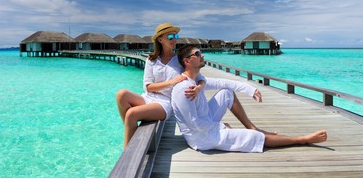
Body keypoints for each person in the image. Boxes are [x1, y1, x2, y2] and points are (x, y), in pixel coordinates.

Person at [171, 44, 328, 153]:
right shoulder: (184, 89)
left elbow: (222, 82)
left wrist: (249, 89)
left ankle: (251, 127)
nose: (202, 55)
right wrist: (220, 126)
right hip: (202, 138)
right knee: (256, 138)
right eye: (197, 54)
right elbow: (196, 125)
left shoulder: (197, 80)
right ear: (187, 61)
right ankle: (302, 139)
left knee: (227, 91)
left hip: (206, 124)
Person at [116, 23, 206, 149]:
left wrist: (198, 88)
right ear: (160, 39)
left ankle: (126, 152)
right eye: (170, 37)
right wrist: (171, 82)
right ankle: (132, 132)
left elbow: (201, 79)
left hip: (165, 103)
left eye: (176, 36)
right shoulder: (151, 59)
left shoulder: (180, 59)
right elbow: (147, 87)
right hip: (148, 97)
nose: (174, 40)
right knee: (121, 94)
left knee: (131, 114)